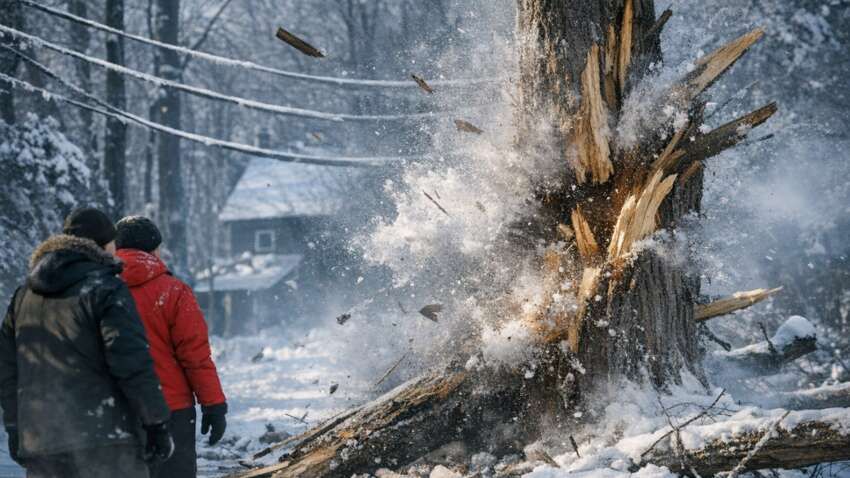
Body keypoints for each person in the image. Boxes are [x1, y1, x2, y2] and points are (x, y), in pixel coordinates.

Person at [0, 208, 174, 478]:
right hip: (106, 438)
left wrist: (15, 427)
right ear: (104, 245)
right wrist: (156, 423)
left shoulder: (24, 296)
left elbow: (7, 371)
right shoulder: (106, 288)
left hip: (42, 441)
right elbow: (130, 361)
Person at [115, 216, 227, 478]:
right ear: (154, 250)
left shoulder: (96, 290)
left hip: (114, 409)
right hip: (171, 410)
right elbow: (195, 356)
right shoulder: (174, 291)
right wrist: (213, 405)